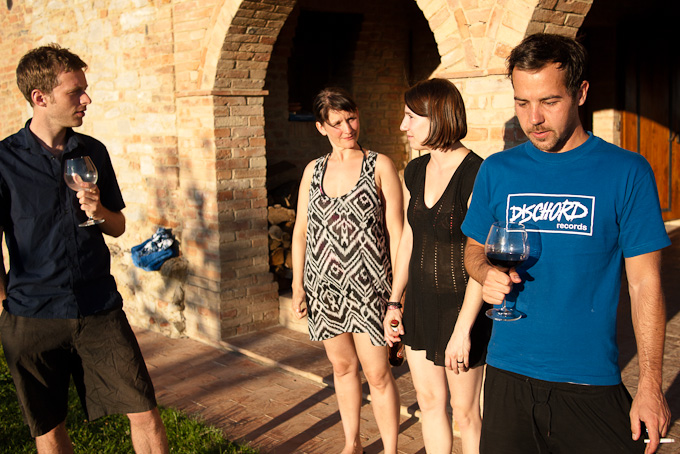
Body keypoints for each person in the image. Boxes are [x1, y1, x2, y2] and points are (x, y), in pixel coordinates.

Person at [461, 33, 671, 454]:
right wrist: (485, 273)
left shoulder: (627, 171)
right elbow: (473, 250)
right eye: (522, 103)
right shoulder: (498, 170)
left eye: (549, 101)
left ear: (581, 93)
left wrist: (650, 385)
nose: (534, 118)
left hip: (589, 381)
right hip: (507, 375)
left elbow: (645, 283)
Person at [0, 44, 169, 454]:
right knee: (50, 429)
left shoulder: (93, 152)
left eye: (84, 90)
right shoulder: (4, 161)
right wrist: (4, 306)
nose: (86, 99)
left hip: (99, 308)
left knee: (145, 412)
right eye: (75, 92)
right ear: (40, 98)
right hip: (32, 315)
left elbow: (117, 227)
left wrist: (99, 210)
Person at [291, 87, 403, 454]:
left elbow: (397, 232)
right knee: (341, 367)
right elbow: (301, 230)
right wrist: (297, 285)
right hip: (324, 288)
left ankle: (390, 449)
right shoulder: (313, 170)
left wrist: (398, 294)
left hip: (372, 288)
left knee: (378, 373)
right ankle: (351, 443)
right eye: (337, 123)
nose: (347, 129)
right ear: (321, 127)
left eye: (351, 118)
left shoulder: (380, 165)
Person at [383, 78, 491, 454]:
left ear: (438, 117)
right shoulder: (414, 171)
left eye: (411, 117)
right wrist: (395, 302)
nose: (403, 126)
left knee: (465, 412)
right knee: (429, 404)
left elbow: (483, 258)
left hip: (463, 309)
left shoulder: (478, 174)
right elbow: (409, 239)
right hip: (420, 305)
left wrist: (463, 329)